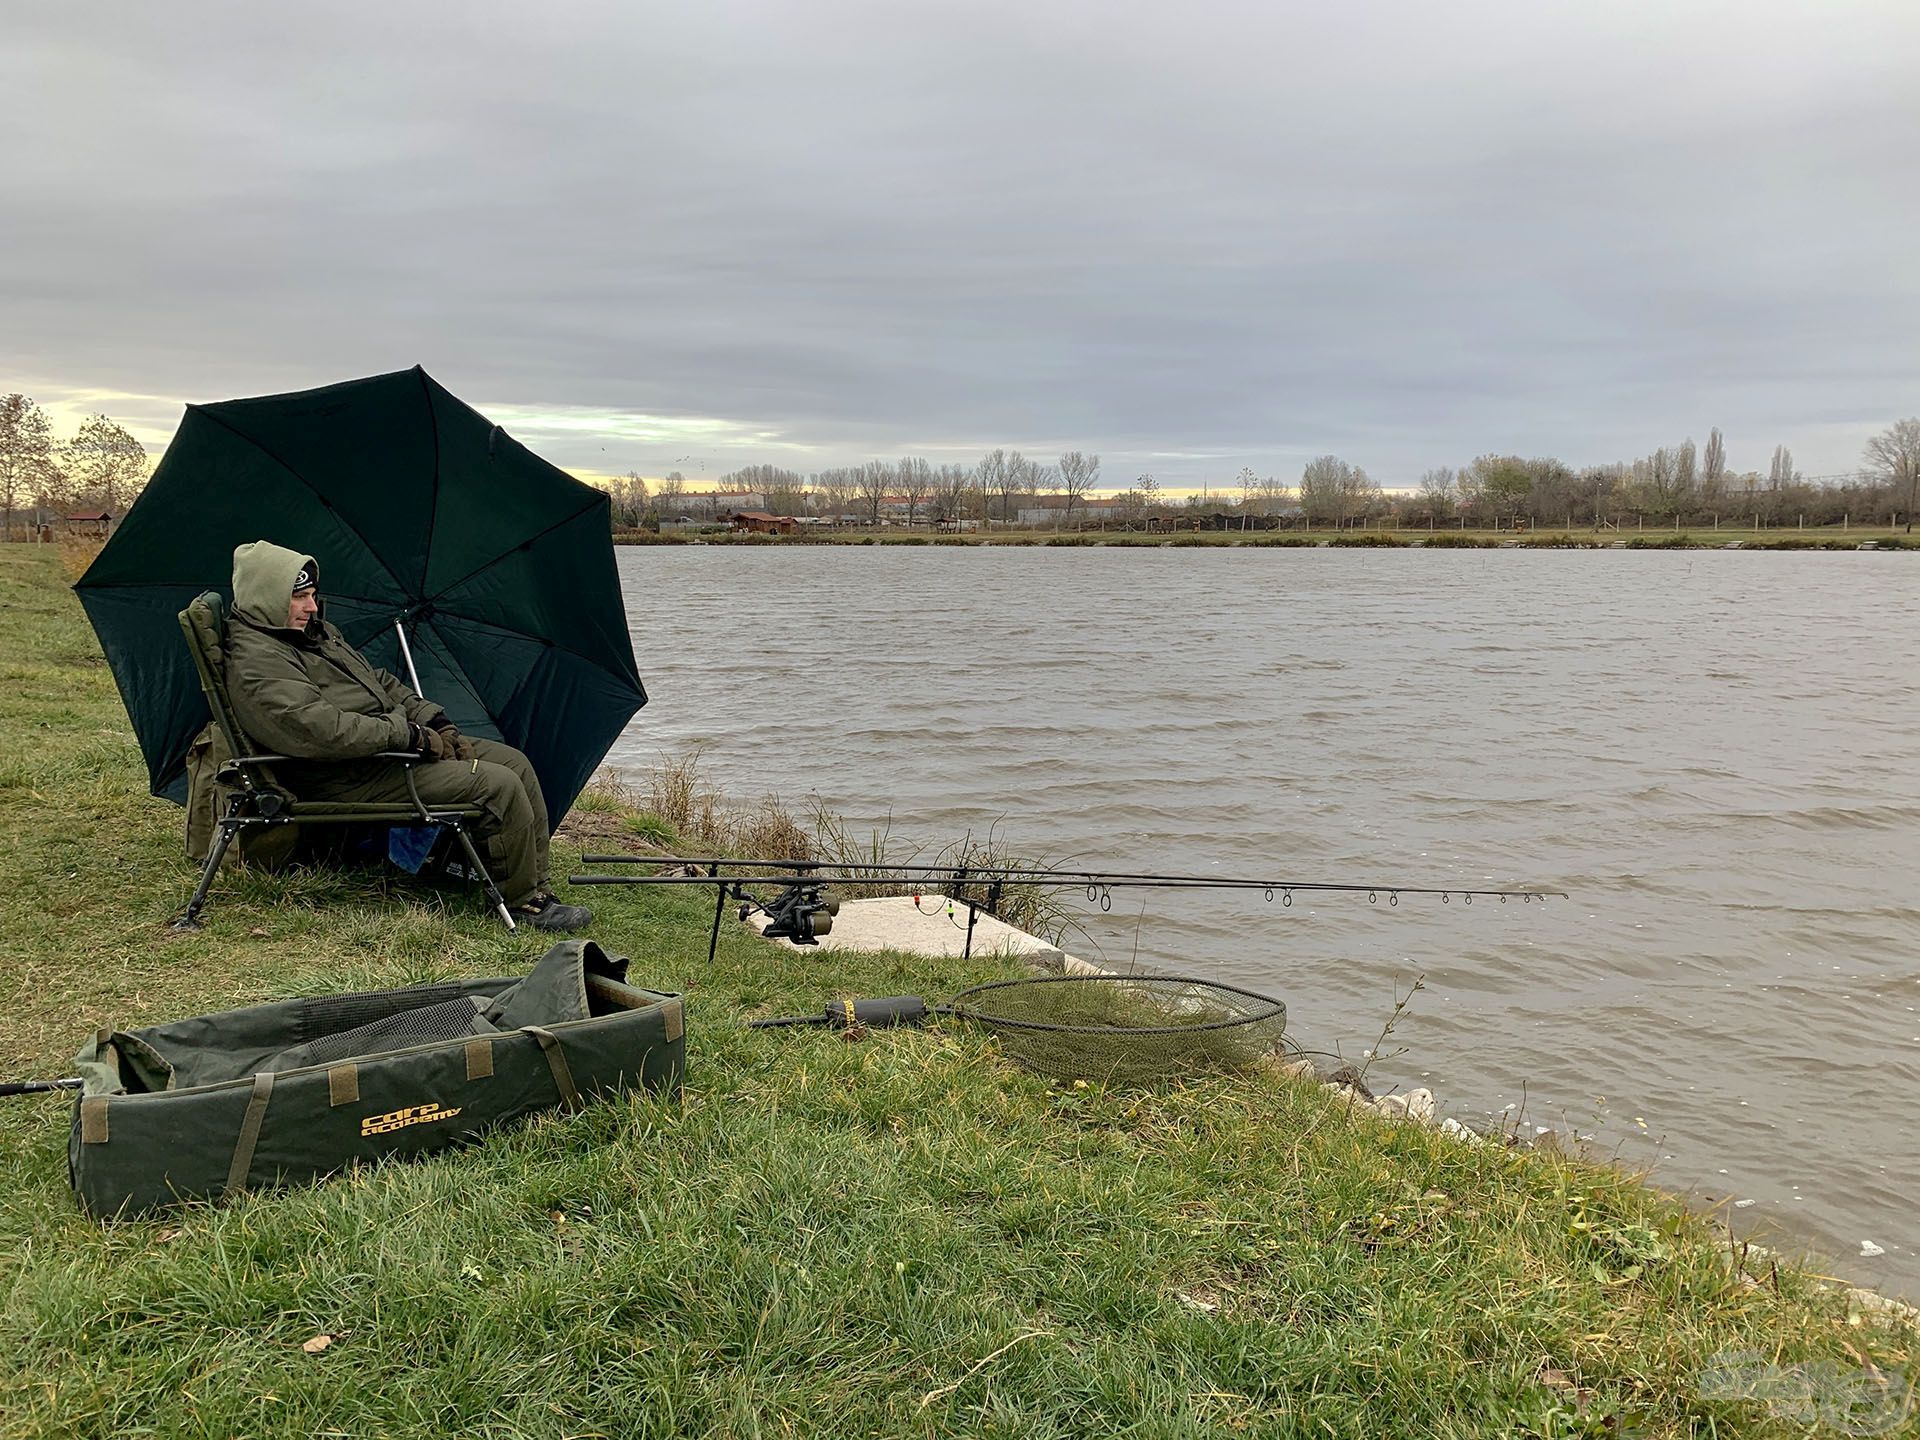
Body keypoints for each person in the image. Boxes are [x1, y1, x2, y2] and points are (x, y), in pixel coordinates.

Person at [224, 540, 591, 932]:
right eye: (299, 598)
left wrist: (433, 720)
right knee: (495, 784)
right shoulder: (258, 660)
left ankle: (536, 887)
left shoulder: (313, 635)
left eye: (312, 595)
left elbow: (378, 683)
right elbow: (320, 731)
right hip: (342, 776)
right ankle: (520, 904)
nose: (312, 607)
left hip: (379, 754)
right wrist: (409, 737)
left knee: (514, 762)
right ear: (266, 597)